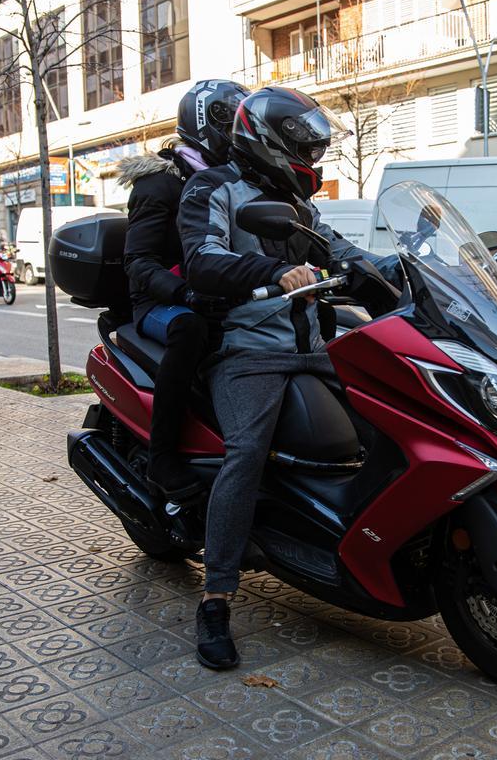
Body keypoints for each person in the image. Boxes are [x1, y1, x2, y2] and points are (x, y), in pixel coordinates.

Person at [178, 86, 390, 669]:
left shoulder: (298, 204)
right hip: (248, 349)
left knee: (390, 414)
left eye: (318, 152)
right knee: (245, 453)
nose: (312, 163)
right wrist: (275, 269)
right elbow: (202, 260)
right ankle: (216, 597)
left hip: (314, 347)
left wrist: (405, 269)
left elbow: (341, 251)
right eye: (305, 150)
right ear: (268, 142)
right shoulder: (212, 188)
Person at [121, 79, 249, 503]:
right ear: (202, 123)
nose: (237, 133)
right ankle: (162, 459)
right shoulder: (160, 186)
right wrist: (183, 294)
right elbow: (138, 263)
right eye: (228, 123)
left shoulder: (233, 183)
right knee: (191, 330)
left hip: (217, 295)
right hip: (162, 303)